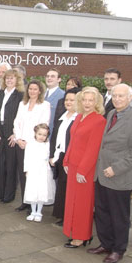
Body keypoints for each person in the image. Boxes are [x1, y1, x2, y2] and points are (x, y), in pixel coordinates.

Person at [89, 84, 132, 263]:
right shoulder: (111, 114)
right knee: (102, 212)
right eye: (115, 96)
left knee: (118, 215)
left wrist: (116, 168)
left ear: (130, 98)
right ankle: (106, 243)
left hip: (119, 176)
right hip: (101, 174)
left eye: (121, 96)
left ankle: (118, 249)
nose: (117, 99)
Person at [62, 87, 106, 248]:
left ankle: (82, 236)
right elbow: (72, 140)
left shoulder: (99, 120)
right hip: (72, 165)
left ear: (96, 102)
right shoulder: (79, 116)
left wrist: (82, 170)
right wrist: (66, 160)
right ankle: (73, 231)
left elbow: (93, 149)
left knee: (83, 204)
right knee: (72, 201)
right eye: (84, 100)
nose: (87, 103)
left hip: (84, 169)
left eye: (91, 100)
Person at [13, 80, 51, 211]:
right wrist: (18, 139)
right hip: (21, 144)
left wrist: (29, 142)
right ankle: (25, 201)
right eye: (30, 89)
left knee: (34, 176)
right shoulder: (22, 104)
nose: (32, 91)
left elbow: (43, 125)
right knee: (23, 174)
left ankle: (34, 204)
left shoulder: (45, 105)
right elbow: (16, 122)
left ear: (40, 91)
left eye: (35, 89)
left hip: (34, 146)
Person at [0, 69, 24, 203]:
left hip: (11, 134)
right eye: (7, 78)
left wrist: (16, 134)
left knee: (10, 165)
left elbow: (21, 117)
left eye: (12, 78)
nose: (9, 80)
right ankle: (0, 191)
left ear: (17, 80)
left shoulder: (21, 95)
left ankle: (9, 195)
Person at [49, 88, 80, 226]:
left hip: (71, 158)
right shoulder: (62, 116)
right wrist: (52, 155)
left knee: (69, 188)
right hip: (60, 156)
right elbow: (55, 137)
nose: (68, 102)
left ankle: (69, 216)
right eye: (67, 99)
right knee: (61, 186)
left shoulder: (78, 119)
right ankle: (61, 214)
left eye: (72, 100)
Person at [23, 124, 55, 222]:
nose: (41, 137)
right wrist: (26, 170)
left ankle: (39, 212)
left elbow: (50, 155)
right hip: (33, 169)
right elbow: (27, 157)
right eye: (39, 134)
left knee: (41, 190)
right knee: (33, 190)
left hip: (43, 170)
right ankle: (33, 211)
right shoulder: (30, 144)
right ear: (35, 134)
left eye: (44, 135)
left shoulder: (47, 144)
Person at [44, 69, 65, 135]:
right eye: (47, 76)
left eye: (52, 76)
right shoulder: (40, 94)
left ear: (59, 79)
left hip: (53, 133)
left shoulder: (63, 95)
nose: (49, 78)